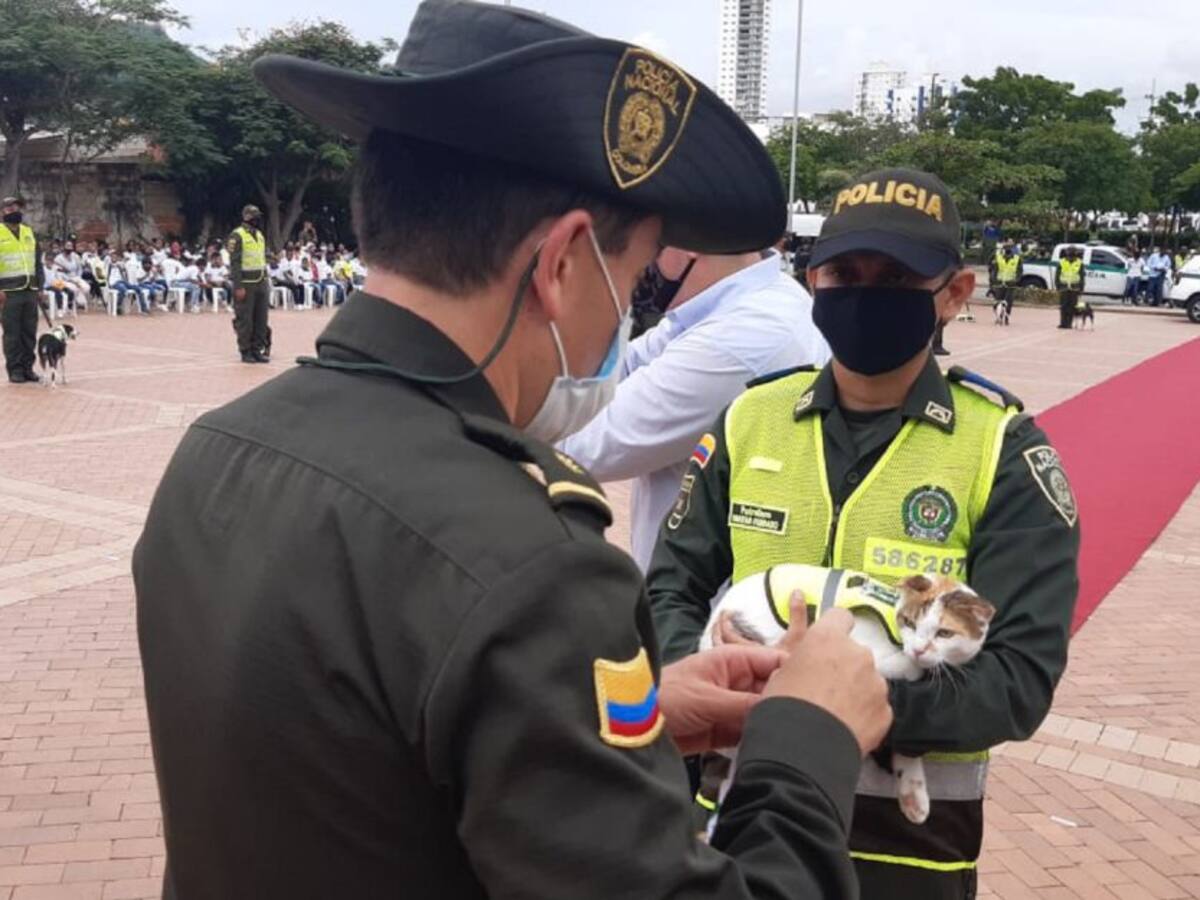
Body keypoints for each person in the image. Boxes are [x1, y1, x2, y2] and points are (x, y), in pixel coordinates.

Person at [134, 3, 895, 897]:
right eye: (634, 273)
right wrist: (807, 737)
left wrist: (622, 719)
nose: (625, 313)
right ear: (564, 261)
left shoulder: (220, 449)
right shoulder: (532, 560)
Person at [645, 167, 1080, 900]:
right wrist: (721, 681)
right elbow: (670, 589)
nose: (865, 292)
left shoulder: (1002, 451)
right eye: (846, 272)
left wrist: (829, 709)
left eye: (897, 278)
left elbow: (1018, 680)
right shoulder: (751, 419)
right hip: (733, 827)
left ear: (955, 293)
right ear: (813, 281)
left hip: (905, 853)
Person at [561, 245, 829, 570]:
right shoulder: (742, 299)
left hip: (704, 606)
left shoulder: (745, 338)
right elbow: (622, 366)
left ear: (685, 248)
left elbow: (585, 446)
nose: (636, 261)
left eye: (648, 241)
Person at [0, 197, 45, 383]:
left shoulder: (29, 232)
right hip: (8, 292)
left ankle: (28, 368)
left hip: (30, 290)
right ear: (2, 211)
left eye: (16, 206)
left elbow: (37, 263)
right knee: (12, 333)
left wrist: (40, 287)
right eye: (9, 207)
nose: (14, 209)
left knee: (29, 332)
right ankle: (15, 370)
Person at [227, 204, 271, 363]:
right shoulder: (236, 235)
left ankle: (257, 349)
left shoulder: (259, 235)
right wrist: (238, 286)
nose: (257, 219)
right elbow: (235, 263)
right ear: (247, 217)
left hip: (261, 281)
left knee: (261, 318)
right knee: (245, 319)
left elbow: (261, 258)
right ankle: (245, 351)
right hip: (246, 282)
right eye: (255, 216)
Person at [1055, 246, 1083, 328]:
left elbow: (1081, 276)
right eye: (1069, 254)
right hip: (1064, 287)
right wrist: (1058, 286)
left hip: (1075, 288)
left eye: (1072, 254)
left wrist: (1081, 288)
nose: (1070, 257)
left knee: (1072, 307)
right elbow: (1057, 275)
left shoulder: (1079, 263)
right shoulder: (1061, 262)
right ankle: (1063, 323)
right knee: (1063, 306)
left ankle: (1069, 323)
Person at [993, 242, 1022, 317]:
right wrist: (993, 281)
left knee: (1008, 301)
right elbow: (994, 270)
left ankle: (1006, 316)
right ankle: (998, 315)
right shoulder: (999, 257)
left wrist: (1016, 280)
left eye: (1009, 248)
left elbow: (1019, 271)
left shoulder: (1016, 258)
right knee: (998, 301)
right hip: (1000, 282)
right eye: (1006, 248)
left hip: (1011, 283)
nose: (1007, 250)